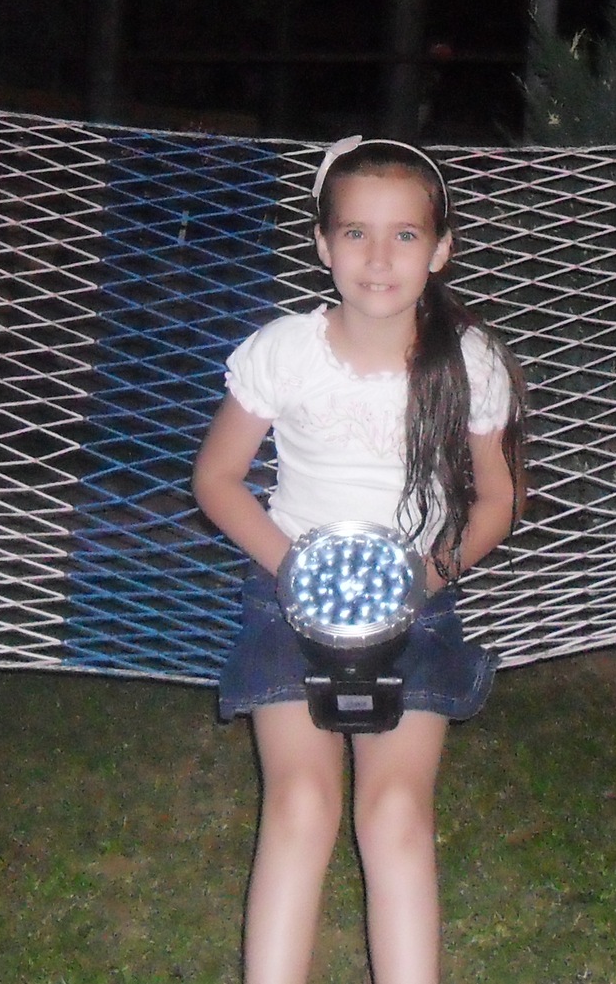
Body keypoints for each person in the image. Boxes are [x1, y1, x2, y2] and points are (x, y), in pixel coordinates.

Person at [192, 135, 529, 984]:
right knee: (302, 802)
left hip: (416, 602)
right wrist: (297, 570)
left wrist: (425, 576)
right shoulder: (285, 350)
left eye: (405, 234)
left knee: (395, 811)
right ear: (322, 244)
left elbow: (498, 498)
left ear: (440, 249)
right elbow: (217, 477)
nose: (379, 257)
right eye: (355, 232)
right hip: (286, 596)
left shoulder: (468, 363)